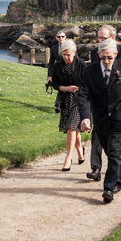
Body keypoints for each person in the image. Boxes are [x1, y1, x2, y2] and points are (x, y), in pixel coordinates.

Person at [79, 39, 121, 203]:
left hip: (120, 117)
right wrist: (85, 116)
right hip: (100, 119)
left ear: (115, 55)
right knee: (109, 150)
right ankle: (117, 181)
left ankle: (108, 188)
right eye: (103, 57)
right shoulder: (89, 71)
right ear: (98, 55)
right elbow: (83, 95)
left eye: (109, 58)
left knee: (114, 151)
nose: (106, 61)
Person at [88, 25, 121, 182]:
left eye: (103, 38)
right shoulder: (96, 52)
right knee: (97, 134)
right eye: (99, 38)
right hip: (100, 105)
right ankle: (96, 167)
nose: (100, 41)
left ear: (113, 38)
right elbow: (93, 77)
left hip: (119, 105)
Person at [50, 39, 87, 171]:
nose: (66, 57)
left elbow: (87, 82)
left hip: (79, 101)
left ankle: (68, 158)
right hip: (66, 101)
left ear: (74, 52)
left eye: (68, 55)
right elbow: (54, 84)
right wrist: (64, 88)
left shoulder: (82, 64)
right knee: (74, 131)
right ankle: (80, 152)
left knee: (71, 128)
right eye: (63, 55)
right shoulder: (58, 66)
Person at [46, 30, 67, 112]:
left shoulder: (70, 46)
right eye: (59, 36)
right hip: (58, 72)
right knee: (60, 88)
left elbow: (76, 59)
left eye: (62, 36)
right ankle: (58, 106)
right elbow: (51, 63)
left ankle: (59, 105)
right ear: (56, 38)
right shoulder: (54, 48)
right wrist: (49, 75)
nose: (61, 38)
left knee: (65, 88)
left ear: (65, 37)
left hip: (68, 70)